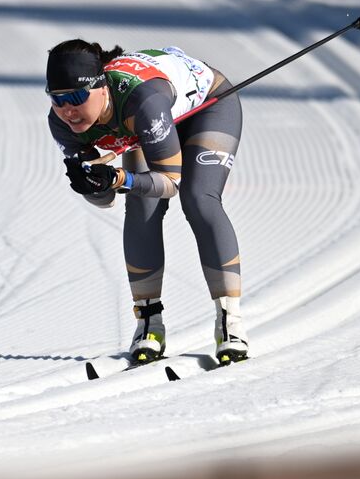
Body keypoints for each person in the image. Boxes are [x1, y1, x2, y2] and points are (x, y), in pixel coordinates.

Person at [45, 39, 248, 364]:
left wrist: (119, 178)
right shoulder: (61, 123)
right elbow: (105, 199)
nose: (68, 110)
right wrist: (92, 184)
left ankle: (230, 323)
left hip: (206, 108)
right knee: (141, 206)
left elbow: (170, 183)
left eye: (76, 98)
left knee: (198, 198)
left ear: (100, 89)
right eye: (57, 100)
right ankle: (149, 323)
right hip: (142, 127)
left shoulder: (142, 103)